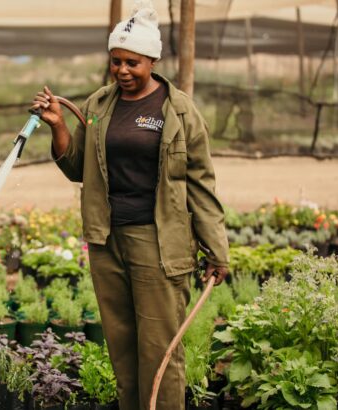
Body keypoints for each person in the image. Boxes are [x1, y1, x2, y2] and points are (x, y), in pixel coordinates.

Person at [31, 1, 229, 408]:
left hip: (158, 243)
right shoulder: (99, 106)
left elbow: (201, 185)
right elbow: (75, 167)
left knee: (159, 351)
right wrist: (58, 127)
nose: (122, 71)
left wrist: (216, 249)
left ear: (152, 60)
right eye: (115, 62)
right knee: (122, 349)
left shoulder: (178, 110)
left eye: (132, 63)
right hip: (107, 241)